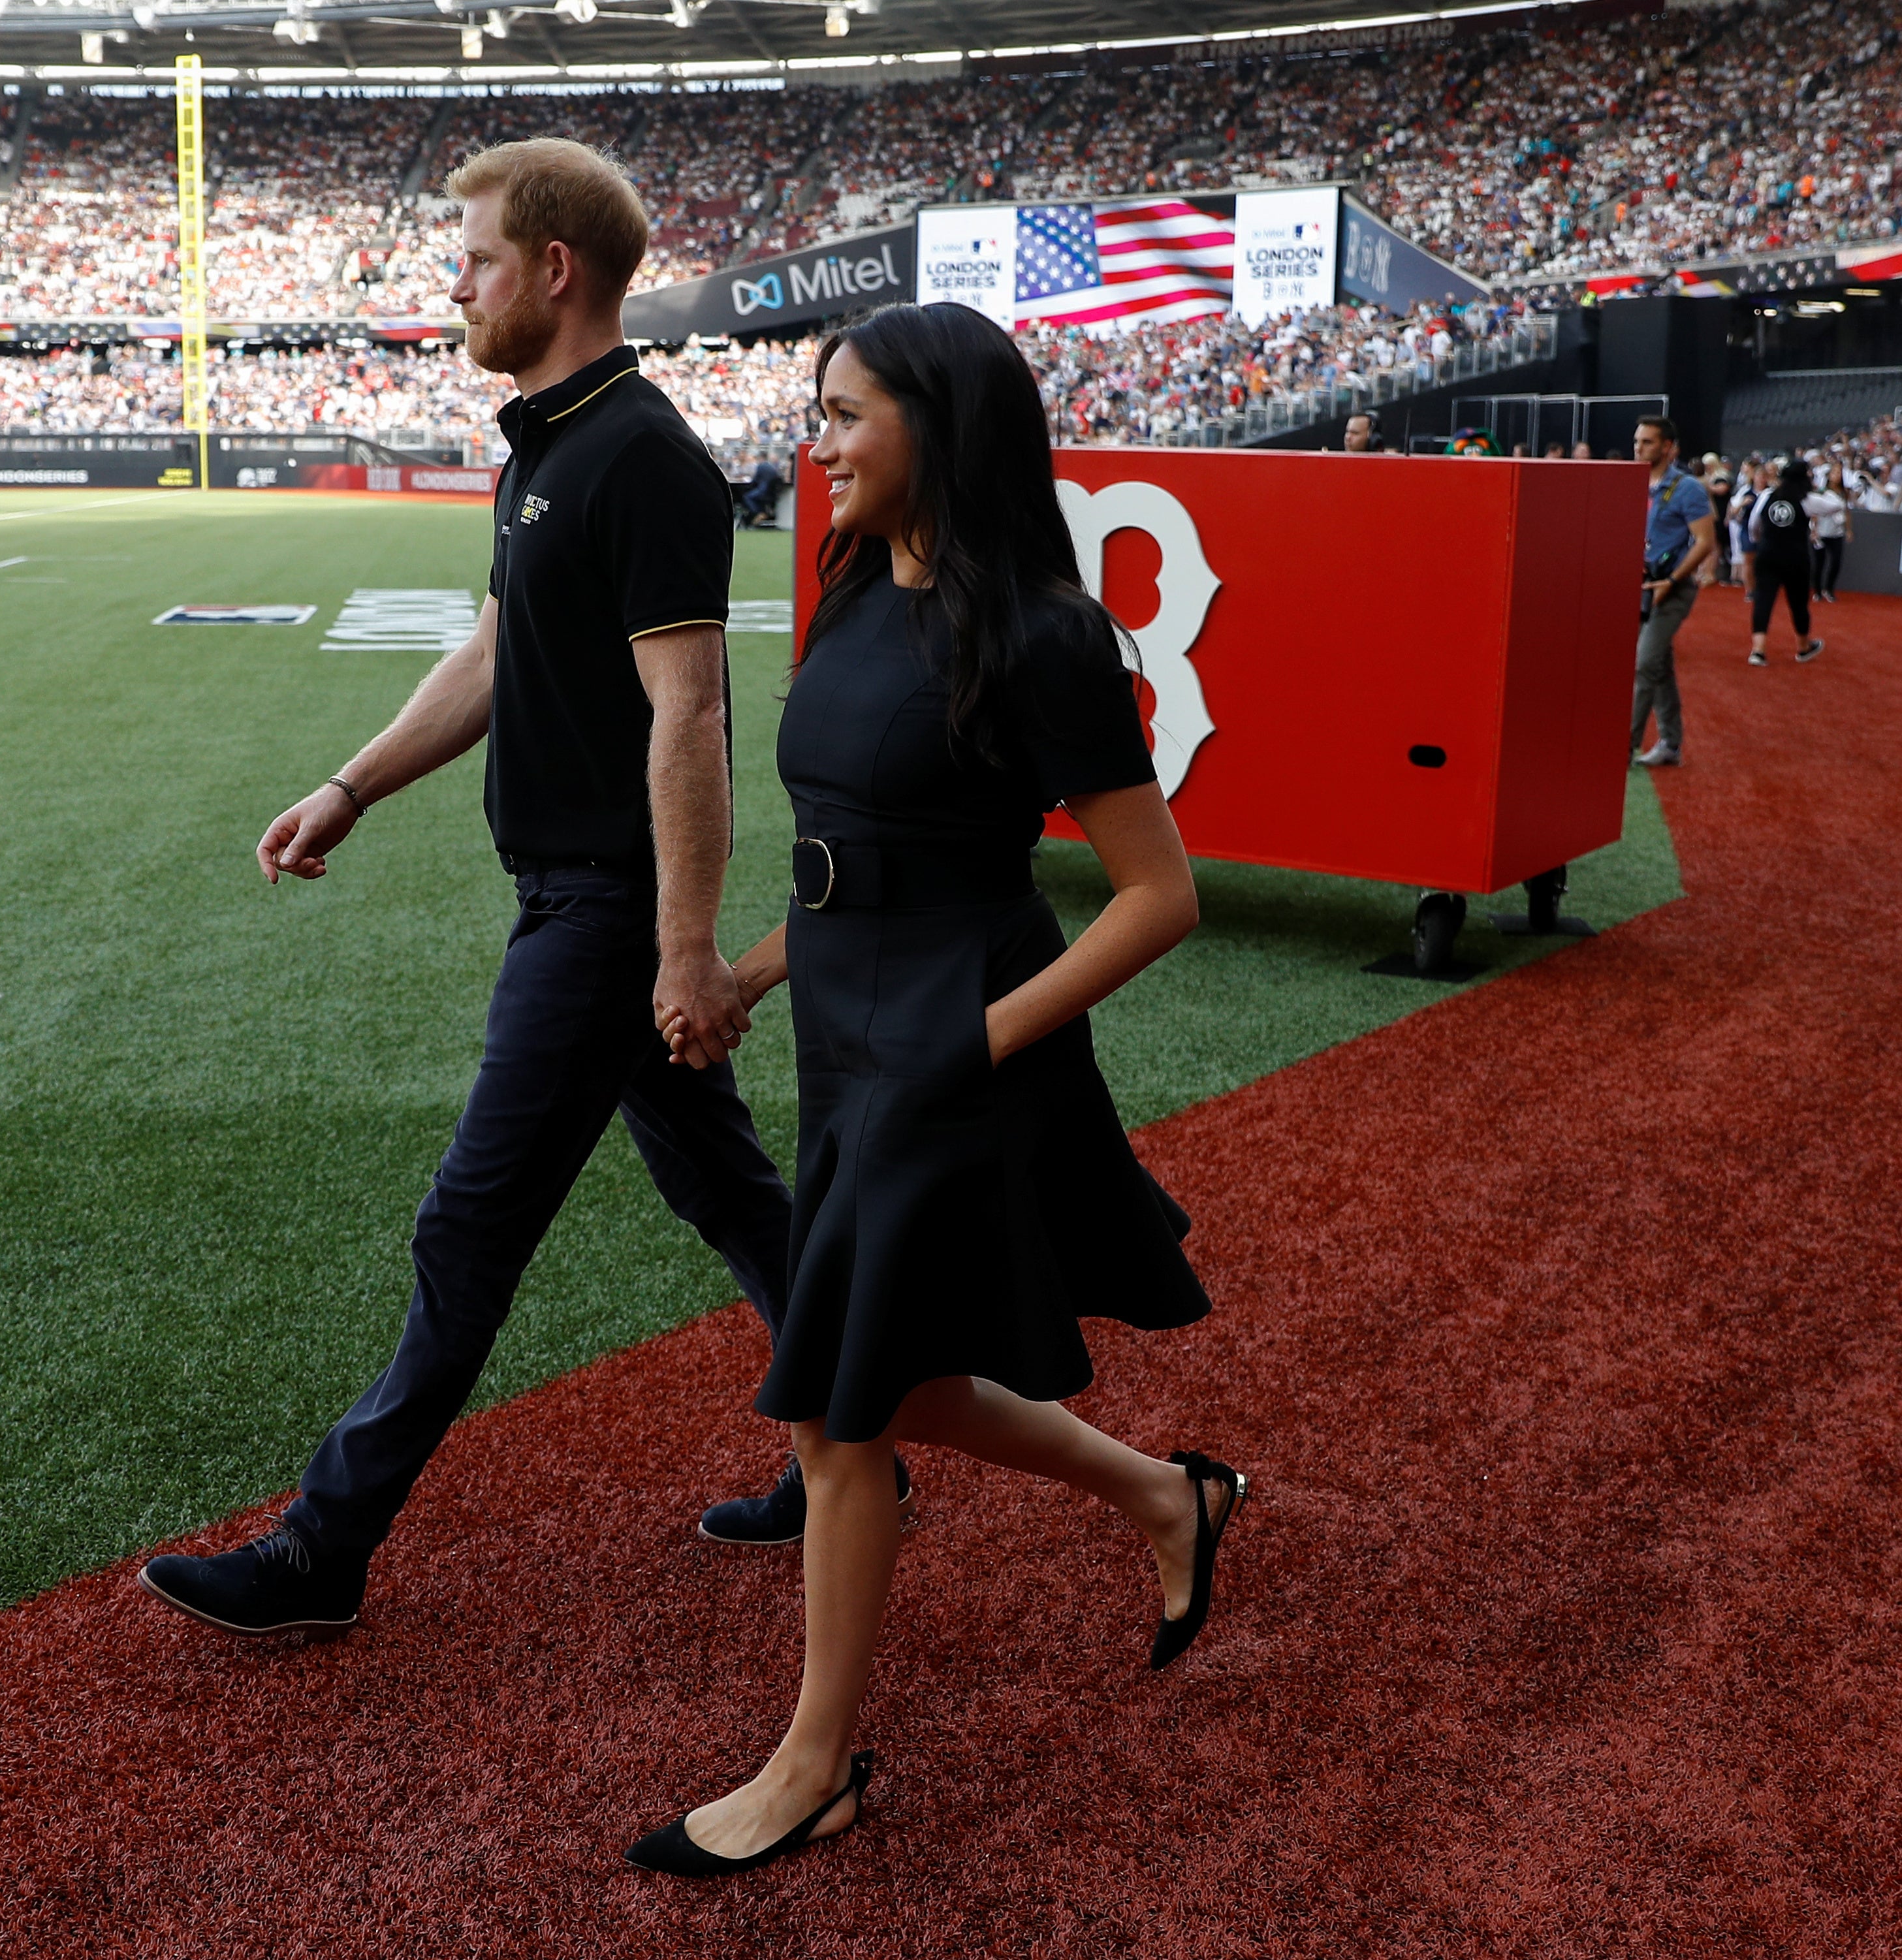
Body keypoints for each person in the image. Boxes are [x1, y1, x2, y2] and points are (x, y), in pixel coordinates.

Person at [138, 137, 808, 1638]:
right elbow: (500, 653)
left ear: (553, 271)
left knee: (468, 1229)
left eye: (479, 258)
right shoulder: (550, 445)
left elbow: (689, 712)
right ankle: (852, 1455)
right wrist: (350, 783)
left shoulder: (639, 455)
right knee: (728, 1189)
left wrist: (685, 948)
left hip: (604, 911)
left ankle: (325, 1545)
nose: (456, 283)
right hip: (577, 898)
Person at [624, 302, 1236, 1878]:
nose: (813, 439)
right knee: (880, 1381)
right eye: (813, 411)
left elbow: (1157, 896)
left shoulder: (1042, 629)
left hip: (958, 1048)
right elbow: (852, 854)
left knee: (837, 1413)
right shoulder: (841, 583)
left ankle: (814, 1763)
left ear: (938, 427)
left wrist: (974, 1041)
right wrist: (755, 972)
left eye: (843, 412)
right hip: (844, 1028)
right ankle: (1166, 1493)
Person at [1633, 415, 1715, 769]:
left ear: (1667, 447)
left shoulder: (1688, 488)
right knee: (1659, 667)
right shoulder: (1632, 481)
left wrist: (1672, 580)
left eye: (1647, 442)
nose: (1638, 448)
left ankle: (1623, 747)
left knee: (1645, 664)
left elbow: (1705, 542)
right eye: (1637, 441)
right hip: (1641, 586)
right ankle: (1671, 744)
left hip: (1673, 588)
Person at [1743, 456, 1822, 669]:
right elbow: (1836, 505)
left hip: (1768, 555)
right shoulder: (1807, 500)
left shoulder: (1769, 495)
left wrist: (1761, 541)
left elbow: (1754, 525)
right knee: (1798, 603)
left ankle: (1758, 651)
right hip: (1796, 558)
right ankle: (1803, 647)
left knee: (1763, 600)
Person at [1806, 459, 1847, 603]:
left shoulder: (1843, 492)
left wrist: (1848, 529)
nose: (1838, 475)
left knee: (1836, 562)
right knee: (1819, 564)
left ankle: (1828, 589)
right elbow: (1815, 512)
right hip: (1822, 532)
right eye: (1835, 472)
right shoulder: (1822, 492)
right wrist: (1814, 530)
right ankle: (1817, 591)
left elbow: (1847, 512)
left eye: (1840, 473)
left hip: (1837, 533)